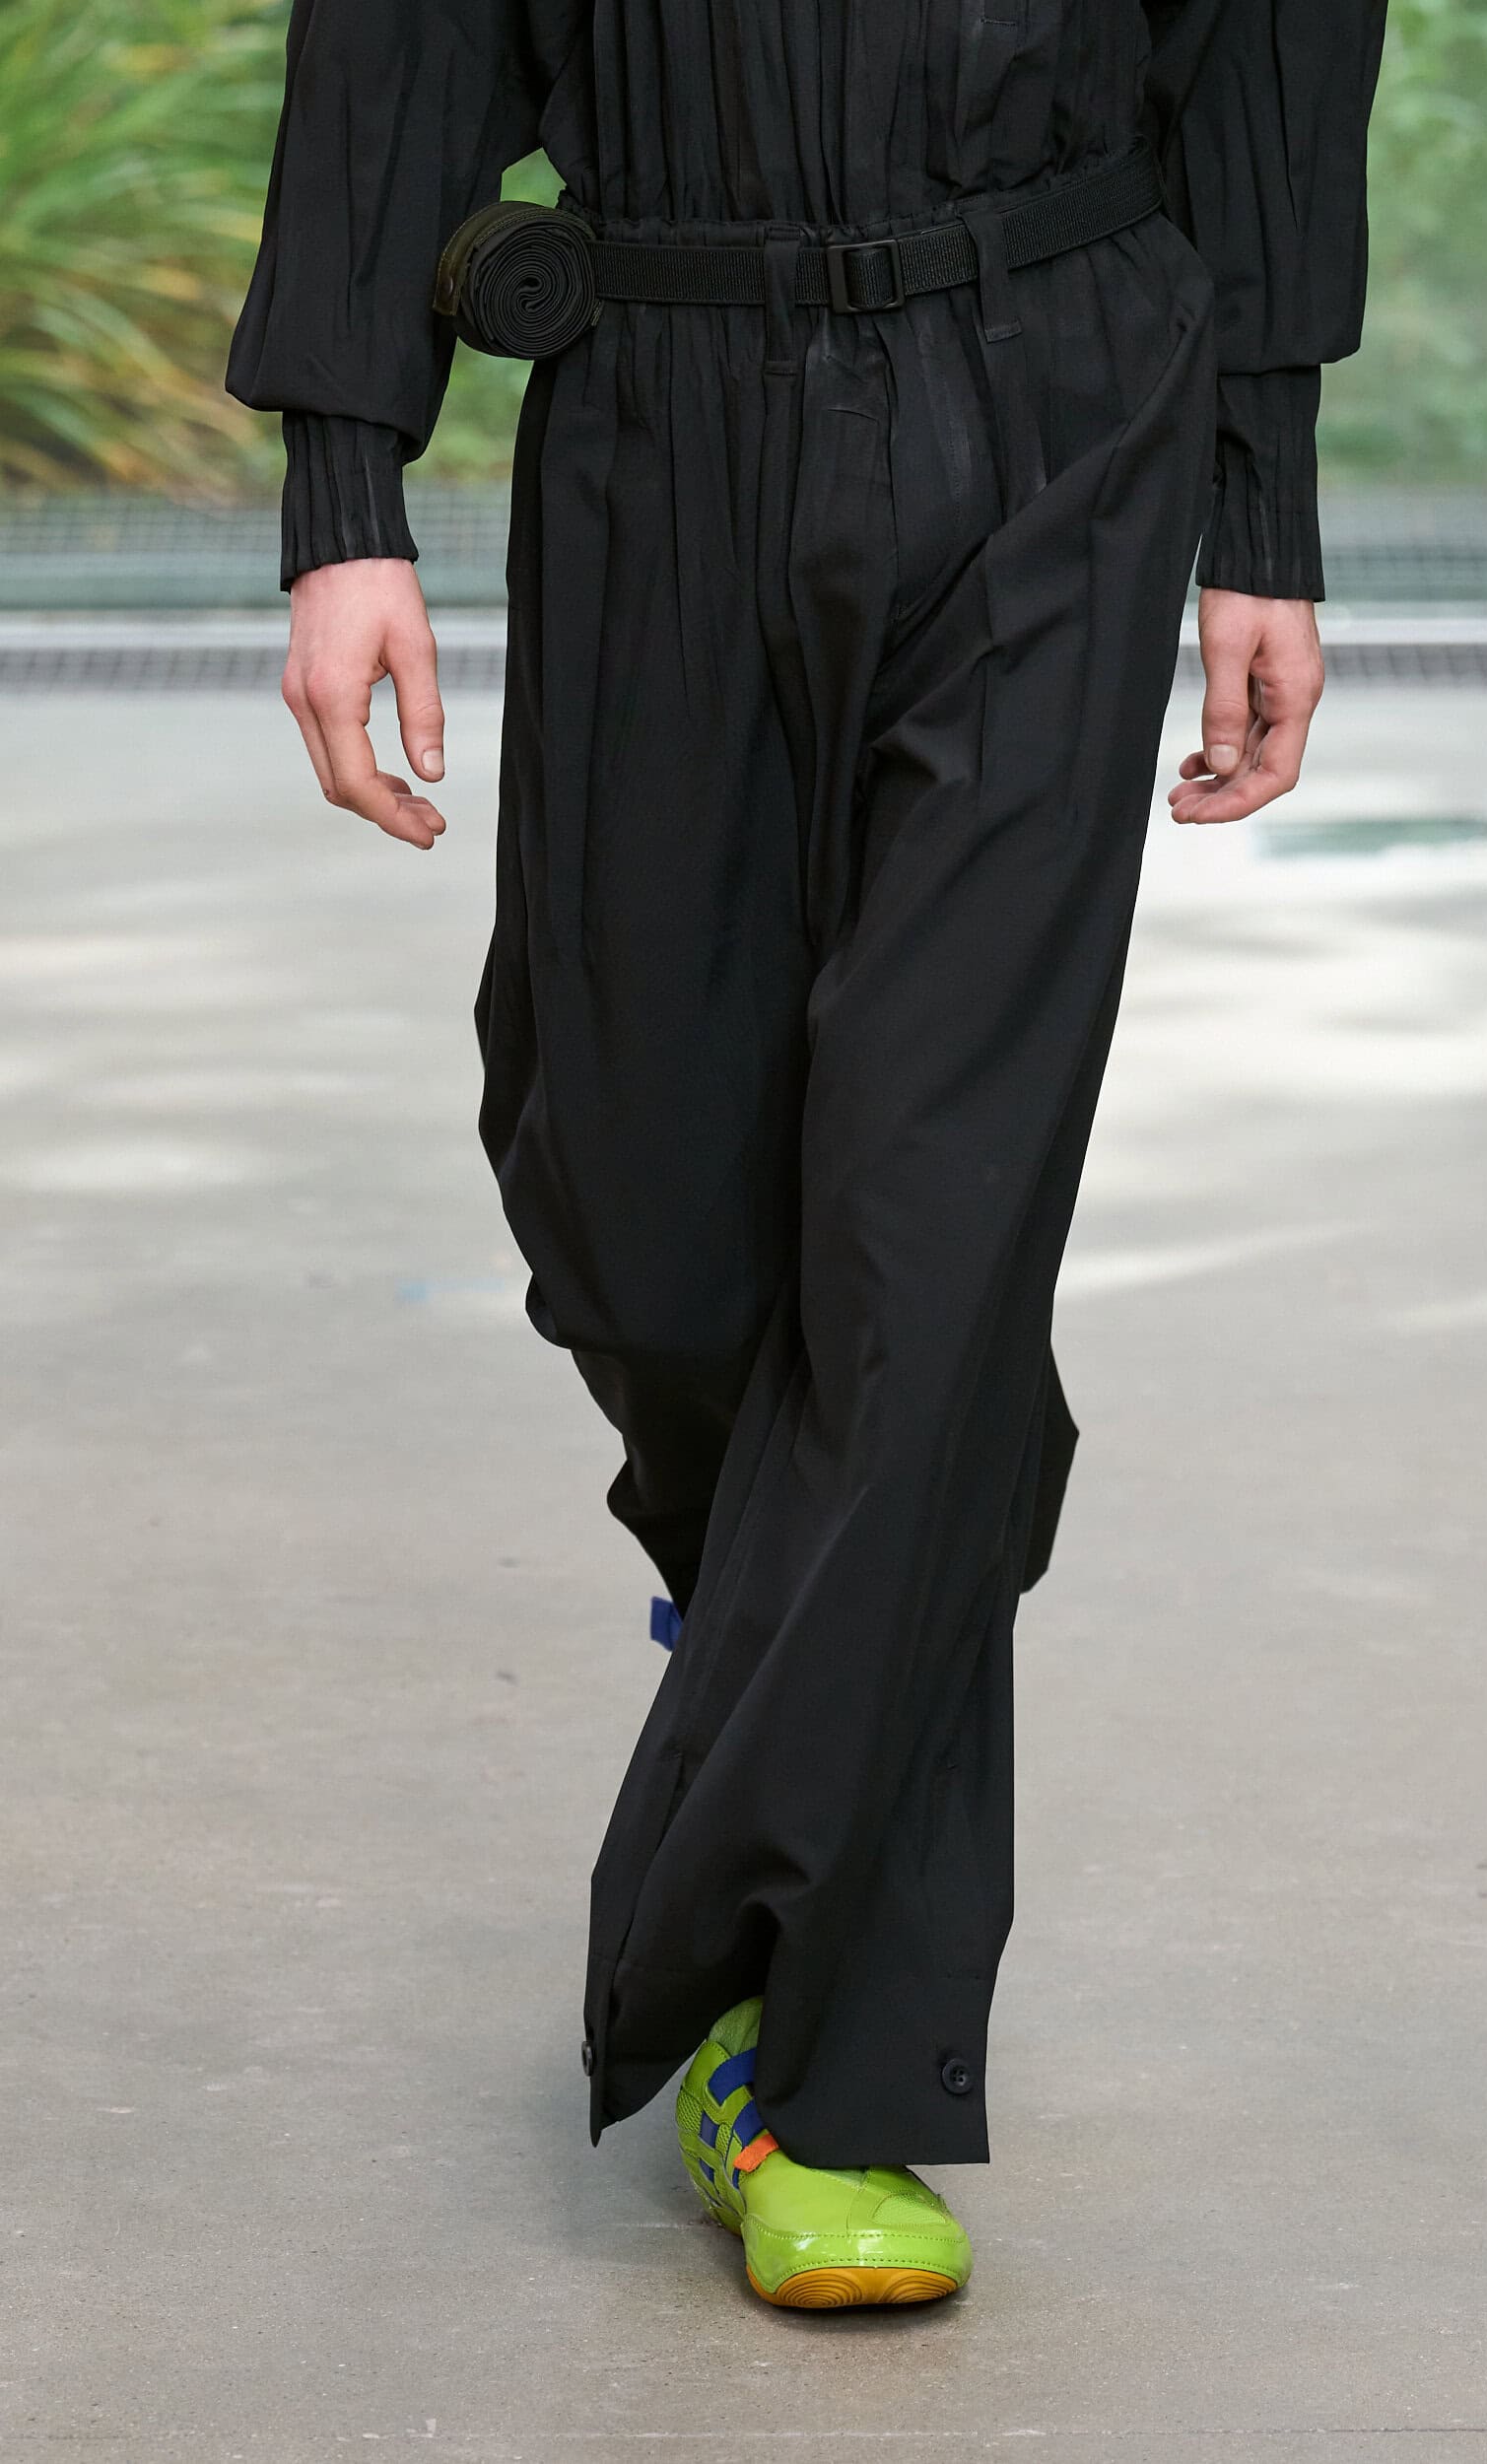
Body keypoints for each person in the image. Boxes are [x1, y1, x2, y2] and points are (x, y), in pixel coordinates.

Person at [228, 0, 1386, 2309]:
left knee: (922, 1249)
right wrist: (345, 485)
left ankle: (818, 2058)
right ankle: (797, 1617)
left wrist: (1262, 495)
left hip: (1065, 395)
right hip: (662, 399)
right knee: (641, 1224)